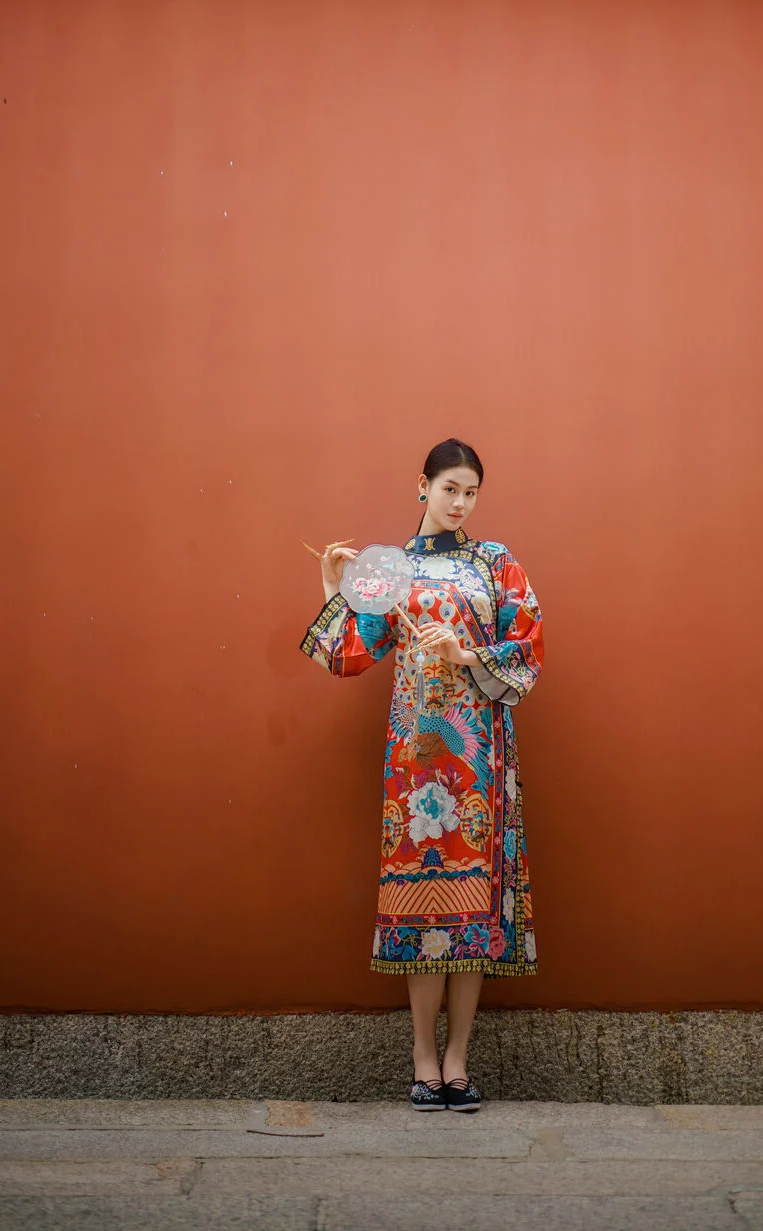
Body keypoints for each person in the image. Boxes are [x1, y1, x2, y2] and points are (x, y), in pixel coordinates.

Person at [302, 438, 543, 1112]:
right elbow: (350, 655)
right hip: (415, 766)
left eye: (471, 492)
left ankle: (458, 1059)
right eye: (449, 489)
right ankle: (422, 1058)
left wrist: (465, 653)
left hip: (479, 759)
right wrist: (333, 586)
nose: (460, 502)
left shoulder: (496, 563)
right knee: (420, 905)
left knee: (474, 912)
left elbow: (528, 645)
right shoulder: (391, 570)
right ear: (423, 486)